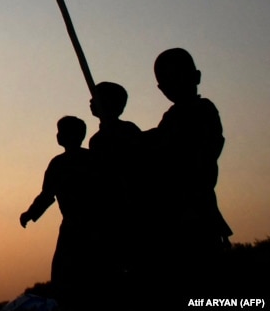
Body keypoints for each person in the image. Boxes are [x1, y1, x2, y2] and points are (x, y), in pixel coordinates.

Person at [143, 48, 231, 298]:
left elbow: (176, 151)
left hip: (194, 209)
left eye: (177, 76)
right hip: (176, 213)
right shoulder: (172, 117)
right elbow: (153, 143)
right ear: (161, 88)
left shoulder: (201, 111)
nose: (172, 85)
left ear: (196, 76)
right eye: (166, 81)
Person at [20, 116, 96, 310]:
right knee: (65, 275)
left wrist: (30, 213)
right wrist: (31, 213)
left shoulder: (77, 161)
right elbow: (47, 195)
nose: (58, 135)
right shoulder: (64, 162)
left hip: (85, 226)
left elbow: (47, 195)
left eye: (62, 131)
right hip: (76, 225)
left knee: (71, 275)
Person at [86, 81, 142, 300]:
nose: (90, 101)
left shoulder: (128, 131)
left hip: (126, 213)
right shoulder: (97, 139)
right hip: (106, 214)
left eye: (95, 98)